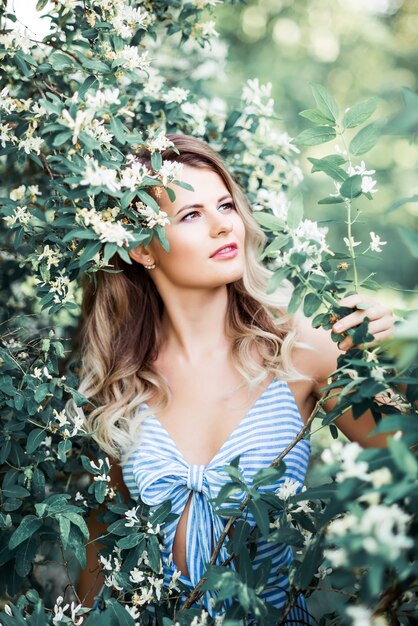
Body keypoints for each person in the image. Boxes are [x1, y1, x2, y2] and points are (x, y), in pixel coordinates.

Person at [76, 134, 395, 624]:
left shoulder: (300, 347)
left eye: (225, 204)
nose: (224, 224)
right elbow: (103, 551)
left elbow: (406, 456)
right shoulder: (121, 382)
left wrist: (389, 359)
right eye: (191, 215)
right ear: (142, 249)